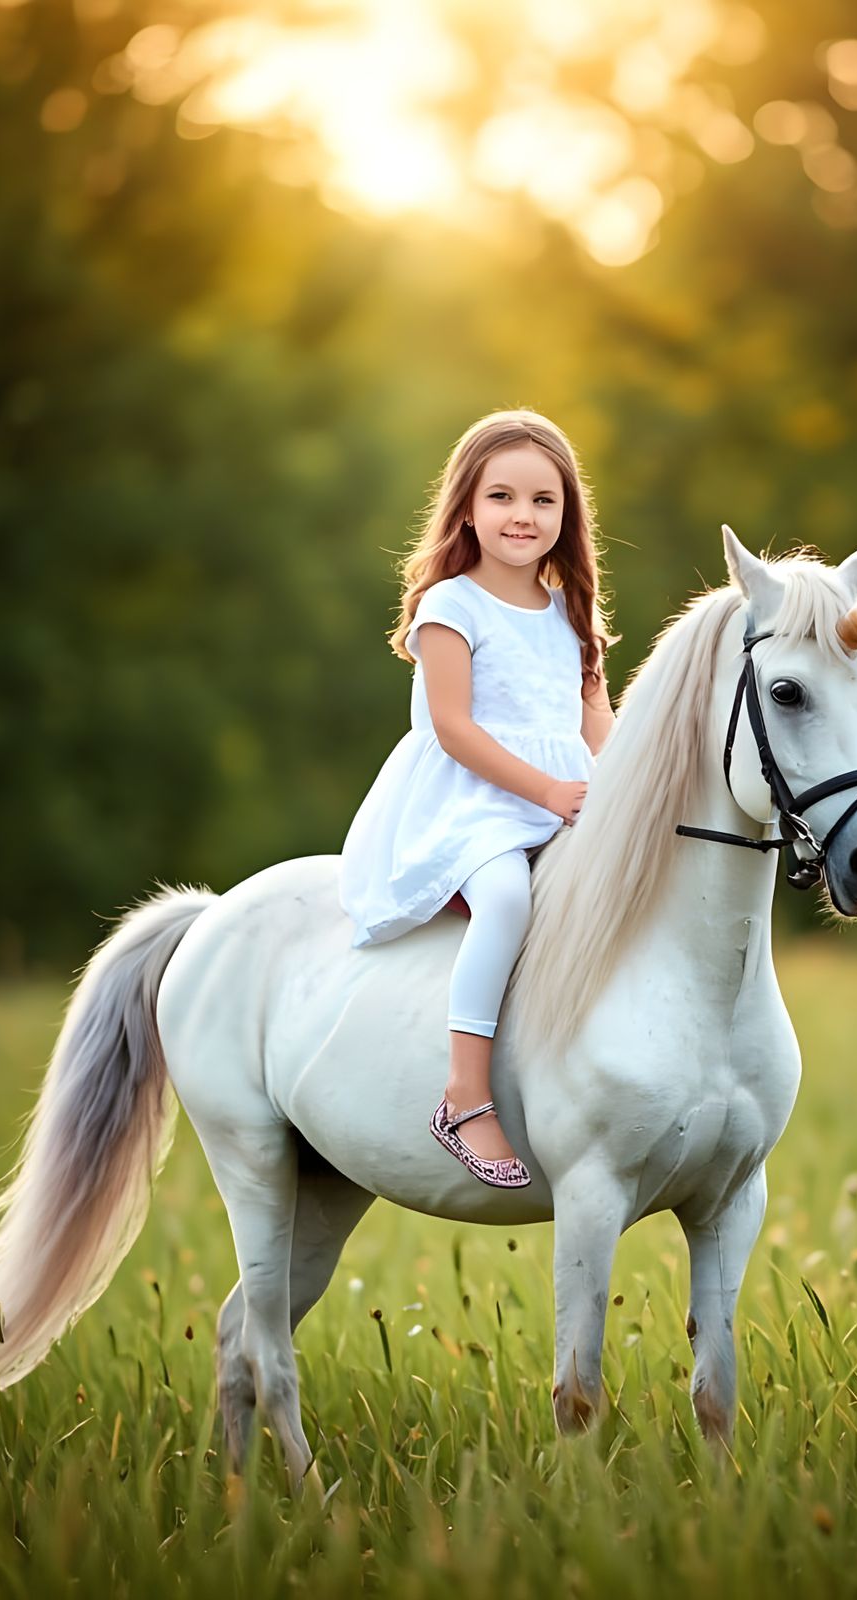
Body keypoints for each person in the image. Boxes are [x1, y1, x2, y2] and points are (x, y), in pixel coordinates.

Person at [340, 410, 616, 1188]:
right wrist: (551, 791)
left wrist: (621, 787)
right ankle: (464, 1095)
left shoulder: (570, 612)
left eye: (542, 501)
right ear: (467, 506)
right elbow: (455, 730)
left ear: (566, 517)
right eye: (502, 497)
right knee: (504, 901)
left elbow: (596, 718)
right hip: (474, 800)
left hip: (563, 798)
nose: (522, 516)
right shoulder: (450, 607)